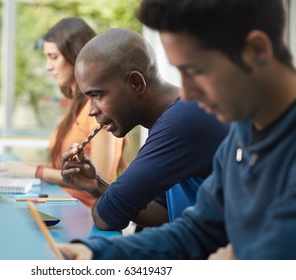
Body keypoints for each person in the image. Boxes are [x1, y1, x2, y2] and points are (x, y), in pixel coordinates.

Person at [58, 0, 296, 259]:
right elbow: (196, 231)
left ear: (256, 51)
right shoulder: (242, 134)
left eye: (195, 70)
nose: (189, 93)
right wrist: (94, 252)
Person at [60, 27, 229, 231]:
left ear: (136, 83)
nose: (91, 111)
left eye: (97, 95)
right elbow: (163, 213)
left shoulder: (183, 119)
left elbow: (107, 217)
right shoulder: (173, 117)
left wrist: (110, 202)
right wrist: (97, 184)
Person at [0, 17, 125, 208]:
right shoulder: (75, 106)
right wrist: (22, 168)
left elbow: (100, 178)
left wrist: (36, 171)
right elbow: (61, 168)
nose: (48, 66)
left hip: (83, 213)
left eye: (53, 57)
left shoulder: (97, 110)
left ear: (76, 56)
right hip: (64, 205)